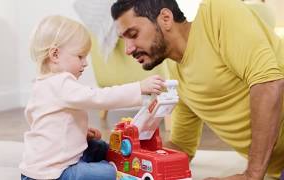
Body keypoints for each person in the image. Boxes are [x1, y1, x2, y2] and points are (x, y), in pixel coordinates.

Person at [111, 0, 284, 179]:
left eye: (133, 34)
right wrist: (133, 159)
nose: (128, 49)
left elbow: (268, 83)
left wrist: (252, 175)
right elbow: (181, 147)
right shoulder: (177, 76)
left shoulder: (218, 13)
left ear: (165, 18)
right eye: (124, 39)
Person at [19, 15, 165, 180]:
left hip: (39, 169)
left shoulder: (41, 84)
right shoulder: (61, 82)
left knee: (97, 146)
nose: (85, 63)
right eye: (80, 56)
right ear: (55, 55)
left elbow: (42, 122)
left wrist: (78, 132)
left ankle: (107, 161)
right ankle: (115, 169)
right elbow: (99, 97)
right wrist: (138, 88)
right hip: (53, 174)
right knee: (109, 172)